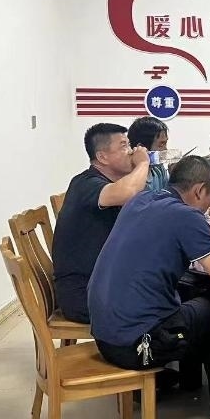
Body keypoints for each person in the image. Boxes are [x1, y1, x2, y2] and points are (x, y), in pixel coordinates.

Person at [88, 156, 210, 419]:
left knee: (194, 293)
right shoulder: (187, 217)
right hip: (137, 345)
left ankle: (190, 380)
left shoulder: (140, 200)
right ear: (199, 191)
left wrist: (203, 240)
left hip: (104, 335)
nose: (208, 207)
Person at [51, 124, 151, 323]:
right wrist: (143, 164)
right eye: (123, 146)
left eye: (129, 144)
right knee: (169, 302)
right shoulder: (85, 183)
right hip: (85, 294)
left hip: (104, 284)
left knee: (178, 286)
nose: (131, 151)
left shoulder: (109, 184)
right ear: (102, 157)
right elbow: (128, 192)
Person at [128, 116, 171, 194]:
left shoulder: (159, 170)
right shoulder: (129, 178)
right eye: (161, 144)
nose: (165, 149)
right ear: (141, 147)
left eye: (165, 143)